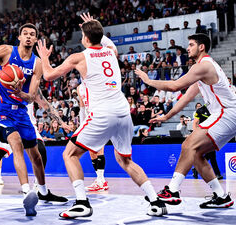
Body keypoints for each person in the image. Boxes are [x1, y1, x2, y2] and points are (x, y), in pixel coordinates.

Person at [36, 13, 167, 218]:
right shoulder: (110, 51)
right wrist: (94, 27)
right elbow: (104, 40)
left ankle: (81, 203)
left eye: (82, 34)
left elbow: (48, 75)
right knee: (125, 161)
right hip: (124, 113)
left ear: (86, 39)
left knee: (69, 154)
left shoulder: (79, 57)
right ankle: (155, 201)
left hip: (102, 114)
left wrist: (44, 57)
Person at [0, 23, 67, 216]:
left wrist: (19, 90)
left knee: (36, 155)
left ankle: (43, 191)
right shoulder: (5, 51)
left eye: (32, 34)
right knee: (15, 144)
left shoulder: (37, 64)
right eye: (25, 34)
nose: (28, 37)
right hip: (1, 110)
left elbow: (32, 97)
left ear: (36, 40)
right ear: (19, 37)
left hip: (21, 111)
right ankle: (26, 193)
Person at [135, 33, 235, 208]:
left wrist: (148, 80)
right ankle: (221, 196)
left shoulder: (204, 65)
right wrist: (167, 116)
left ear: (201, 47)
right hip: (224, 114)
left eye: (191, 45)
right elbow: (185, 98)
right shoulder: (200, 70)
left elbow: (174, 86)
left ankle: (172, 190)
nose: (188, 48)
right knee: (195, 154)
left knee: (188, 145)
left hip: (226, 113)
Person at [78, 81, 108, 192]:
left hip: (99, 117)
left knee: (99, 150)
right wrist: (82, 126)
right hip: (88, 120)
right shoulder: (79, 88)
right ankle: (101, 180)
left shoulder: (96, 83)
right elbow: (82, 107)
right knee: (92, 152)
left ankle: (100, 180)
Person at [192, 104, 223, 180]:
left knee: (210, 155)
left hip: (213, 134)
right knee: (212, 155)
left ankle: (196, 169)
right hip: (204, 134)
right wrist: (196, 133)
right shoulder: (200, 110)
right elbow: (195, 123)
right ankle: (217, 174)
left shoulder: (215, 109)